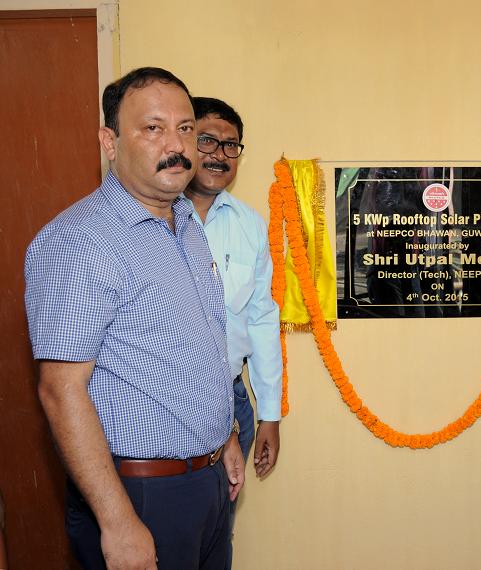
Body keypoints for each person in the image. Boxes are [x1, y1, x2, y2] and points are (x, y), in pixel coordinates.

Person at [24, 67, 243, 570]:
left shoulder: (185, 222)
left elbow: (199, 345)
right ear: (110, 142)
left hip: (207, 483)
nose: (176, 145)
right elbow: (60, 390)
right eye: (153, 128)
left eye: (185, 128)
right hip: (141, 495)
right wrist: (117, 520)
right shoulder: (80, 242)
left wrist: (224, 436)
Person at [183, 97, 283, 563]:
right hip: (163, 405)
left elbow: (261, 319)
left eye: (231, 145)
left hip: (231, 400)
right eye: (207, 140)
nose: (219, 155)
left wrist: (270, 416)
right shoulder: (153, 218)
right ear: (184, 140)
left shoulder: (249, 226)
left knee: (216, 536)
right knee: (164, 540)